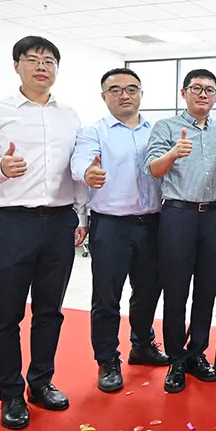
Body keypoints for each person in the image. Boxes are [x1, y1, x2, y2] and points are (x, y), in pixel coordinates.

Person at [0, 35, 88, 430]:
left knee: (50, 310)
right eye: (32, 59)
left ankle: (41, 382)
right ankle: (10, 392)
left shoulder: (69, 115)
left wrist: (81, 216)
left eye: (49, 61)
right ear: (16, 65)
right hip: (11, 223)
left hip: (59, 222)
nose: (41, 67)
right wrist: (0, 167)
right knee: (6, 313)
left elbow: (77, 169)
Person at [71, 68, 168, 395]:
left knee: (149, 290)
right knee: (106, 296)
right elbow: (80, 163)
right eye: (115, 90)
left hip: (152, 223)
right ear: (104, 96)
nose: (124, 95)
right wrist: (88, 173)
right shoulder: (94, 132)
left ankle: (142, 345)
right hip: (111, 225)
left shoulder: (157, 130)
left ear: (141, 93)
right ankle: (107, 359)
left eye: (131, 89)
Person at [145, 69, 216, 394]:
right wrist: (173, 153)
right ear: (184, 92)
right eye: (196, 88)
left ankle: (197, 353)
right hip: (178, 216)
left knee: (206, 289)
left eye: (209, 90)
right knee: (176, 290)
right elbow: (153, 169)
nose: (203, 94)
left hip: (213, 216)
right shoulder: (166, 127)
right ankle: (176, 358)